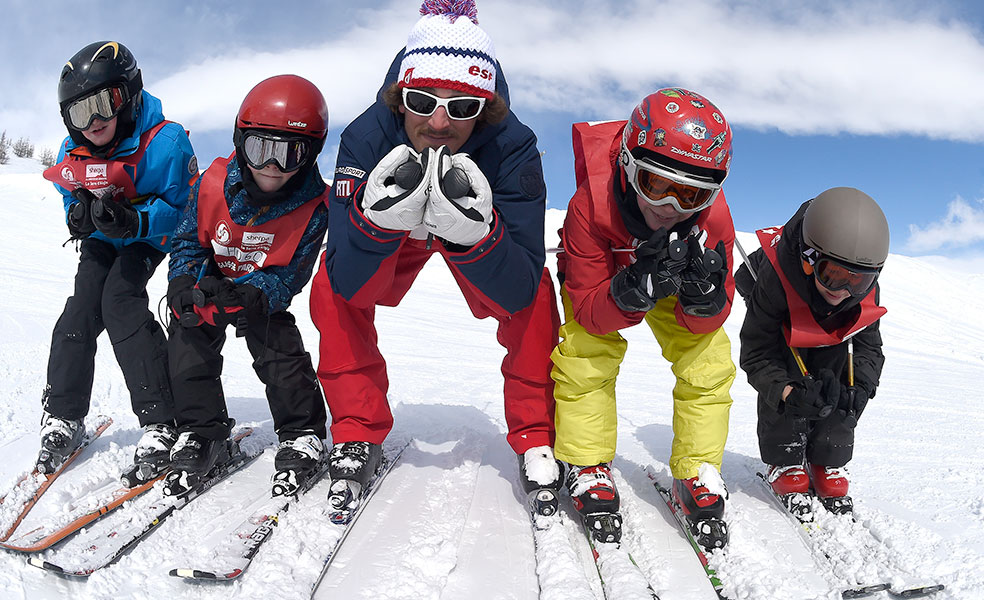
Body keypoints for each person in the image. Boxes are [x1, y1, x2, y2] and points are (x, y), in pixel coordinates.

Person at [311, 0, 561, 515]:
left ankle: (536, 434)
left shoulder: (514, 148)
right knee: (331, 287)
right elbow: (350, 282)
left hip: (469, 227)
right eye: (424, 100)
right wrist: (375, 225)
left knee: (536, 292)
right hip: (397, 234)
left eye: (463, 106)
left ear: (485, 108)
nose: (440, 122)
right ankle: (357, 430)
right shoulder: (365, 137)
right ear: (401, 98)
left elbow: (517, 287)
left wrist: (478, 237)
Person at [552, 88, 737, 550]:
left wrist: (703, 303)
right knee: (584, 355)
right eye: (657, 184)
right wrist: (633, 290)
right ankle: (588, 462)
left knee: (709, 362)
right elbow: (592, 314)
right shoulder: (589, 207)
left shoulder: (712, 219)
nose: (670, 208)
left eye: (691, 193)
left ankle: (698, 469)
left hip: (674, 275)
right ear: (629, 164)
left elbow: (719, 310)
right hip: (608, 285)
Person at [161, 75, 331, 498]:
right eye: (260, 149)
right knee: (186, 335)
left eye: (289, 154)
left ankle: (302, 431)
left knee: (278, 347)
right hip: (213, 280)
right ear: (241, 141)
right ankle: (203, 432)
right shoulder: (212, 182)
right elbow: (188, 239)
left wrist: (257, 294)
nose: (272, 165)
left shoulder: (314, 206)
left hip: (261, 292)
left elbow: (293, 272)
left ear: (310, 154)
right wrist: (184, 280)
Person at [38, 41, 196, 485]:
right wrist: (76, 214)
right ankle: (63, 416)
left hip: (146, 237)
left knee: (121, 302)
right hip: (102, 238)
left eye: (103, 104)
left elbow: (186, 209)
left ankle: (162, 419)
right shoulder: (73, 149)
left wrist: (137, 219)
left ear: (128, 93)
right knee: (82, 309)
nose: (94, 122)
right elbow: (68, 187)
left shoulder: (166, 143)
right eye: (79, 113)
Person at [735, 186, 889, 518]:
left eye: (858, 282)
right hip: (785, 325)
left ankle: (827, 458)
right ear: (809, 261)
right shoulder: (775, 279)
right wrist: (788, 394)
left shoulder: (864, 288)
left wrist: (860, 387)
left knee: (839, 383)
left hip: (830, 335)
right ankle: (785, 456)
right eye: (832, 275)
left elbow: (867, 346)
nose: (844, 291)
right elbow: (756, 352)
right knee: (788, 367)